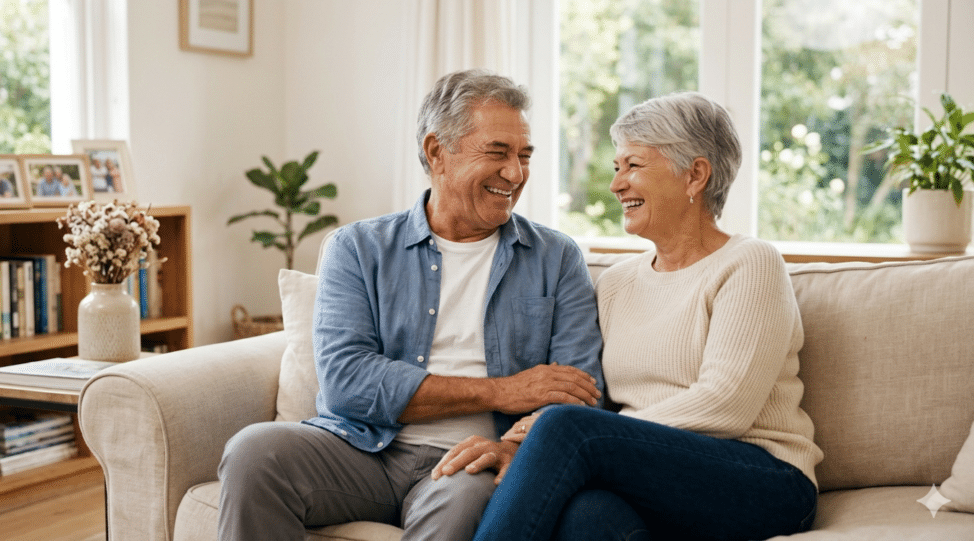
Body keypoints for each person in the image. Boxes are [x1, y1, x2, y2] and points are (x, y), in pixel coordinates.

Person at [217, 69, 604, 541]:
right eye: (498, 153)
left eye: (524, 156)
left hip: (469, 463)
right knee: (253, 452)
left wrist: (517, 446)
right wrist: (503, 391)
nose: (516, 173)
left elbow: (580, 388)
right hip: (359, 449)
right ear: (436, 152)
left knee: (460, 507)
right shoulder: (357, 248)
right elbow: (346, 382)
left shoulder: (556, 257)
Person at [473, 92, 823, 541]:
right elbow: (596, 399)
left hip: (761, 477)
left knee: (565, 427)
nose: (617, 184)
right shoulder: (616, 283)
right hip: (651, 475)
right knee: (586, 516)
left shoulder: (750, 263)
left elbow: (726, 405)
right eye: (616, 168)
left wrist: (563, 433)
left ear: (695, 175)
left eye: (633, 166)